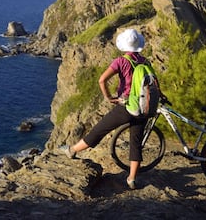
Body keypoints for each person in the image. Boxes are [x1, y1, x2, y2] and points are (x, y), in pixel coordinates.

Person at [60, 28, 157, 190]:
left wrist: (109, 97)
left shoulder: (120, 61)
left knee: (99, 130)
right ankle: (132, 179)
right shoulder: (145, 61)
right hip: (142, 107)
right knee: (136, 143)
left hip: (126, 106)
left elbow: (101, 80)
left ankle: (72, 150)